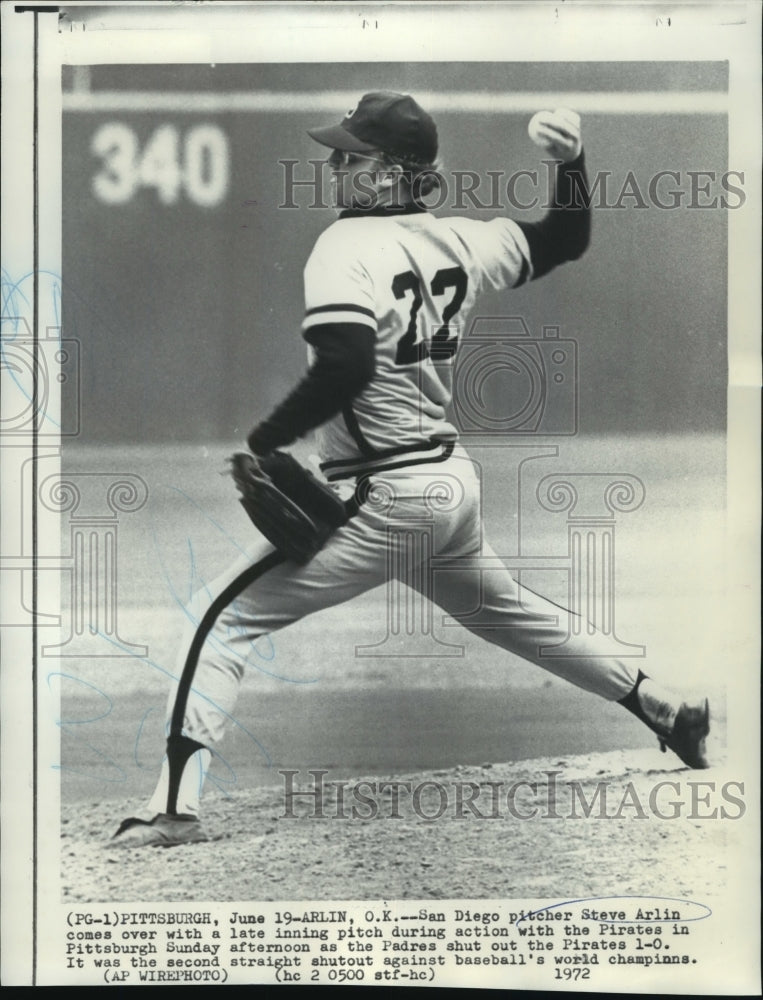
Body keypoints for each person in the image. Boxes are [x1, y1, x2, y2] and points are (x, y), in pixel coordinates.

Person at [112, 92, 710, 848]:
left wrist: (268, 437)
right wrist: (570, 165)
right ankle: (661, 707)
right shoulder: (458, 239)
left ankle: (172, 809)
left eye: (350, 157)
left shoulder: (341, 251)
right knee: (513, 615)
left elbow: (345, 362)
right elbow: (563, 239)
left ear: (393, 174)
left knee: (220, 615)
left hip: (381, 492)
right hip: (446, 487)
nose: (333, 165)